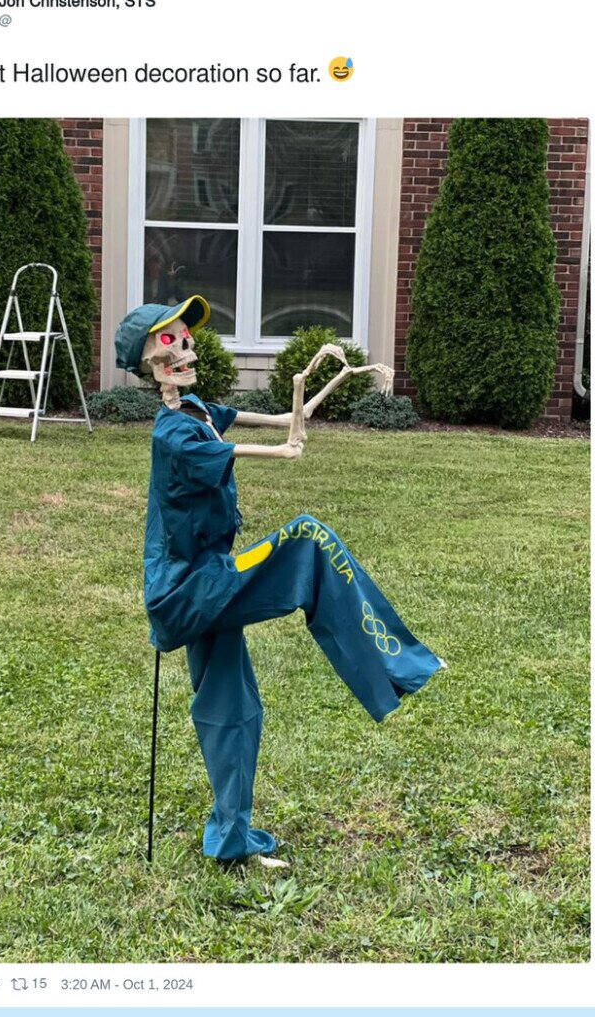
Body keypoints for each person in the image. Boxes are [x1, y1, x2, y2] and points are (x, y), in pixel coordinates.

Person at [115, 296, 447, 863]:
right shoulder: (173, 434)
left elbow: (254, 422)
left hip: (207, 581)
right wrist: (284, 450)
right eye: (169, 342)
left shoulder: (195, 409)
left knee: (233, 709)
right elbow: (235, 449)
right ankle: (401, 664)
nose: (186, 349)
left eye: (187, 338)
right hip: (190, 591)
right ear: (148, 363)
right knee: (308, 541)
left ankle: (231, 840)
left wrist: (296, 411)